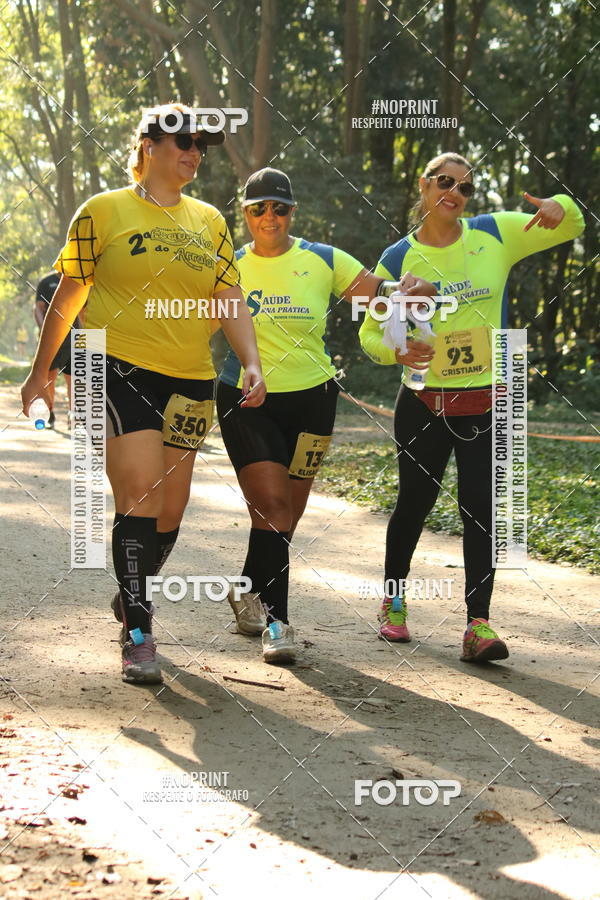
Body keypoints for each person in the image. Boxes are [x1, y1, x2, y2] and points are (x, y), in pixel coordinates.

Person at [21, 103, 265, 685]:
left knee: (171, 508)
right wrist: (42, 373)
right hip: (116, 366)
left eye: (202, 144)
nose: (194, 151)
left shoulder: (209, 220)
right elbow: (70, 294)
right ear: (148, 145)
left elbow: (228, 297)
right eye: (182, 139)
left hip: (188, 378)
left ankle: (131, 596)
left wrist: (252, 360)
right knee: (139, 494)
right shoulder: (103, 211)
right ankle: (138, 630)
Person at [359, 151, 585, 662]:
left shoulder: (494, 234)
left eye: (463, 187)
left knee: (480, 512)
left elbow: (572, 223)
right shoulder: (397, 258)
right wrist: (398, 351)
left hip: (487, 400)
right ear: (424, 185)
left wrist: (559, 205)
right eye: (444, 182)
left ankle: (477, 625)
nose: (453, 194)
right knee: (413, 506)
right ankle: (394, 603)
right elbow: (369, 333)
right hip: (423, 401)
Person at [217, 167, 434, 664]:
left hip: (314, 398)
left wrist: (408, 289)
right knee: (271, 506)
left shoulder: (322, 259)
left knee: (285, 514)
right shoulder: (225, 263)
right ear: (245, 214)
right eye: (258, 208)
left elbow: (379, 293)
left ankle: (247, 588)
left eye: (279, 207)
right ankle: (278, 622)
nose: (269, 216)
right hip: (245, 396)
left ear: (293, 212)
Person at [34, 270, 82, 428]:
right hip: (51, 338)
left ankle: (73, 416)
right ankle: (50, 414)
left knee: (73, 380)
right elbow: (39, 308)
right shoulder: (46, 282)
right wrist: (43, 330)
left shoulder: (78, 280)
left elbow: (82, 310)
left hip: (72, 338)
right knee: (49, 378)